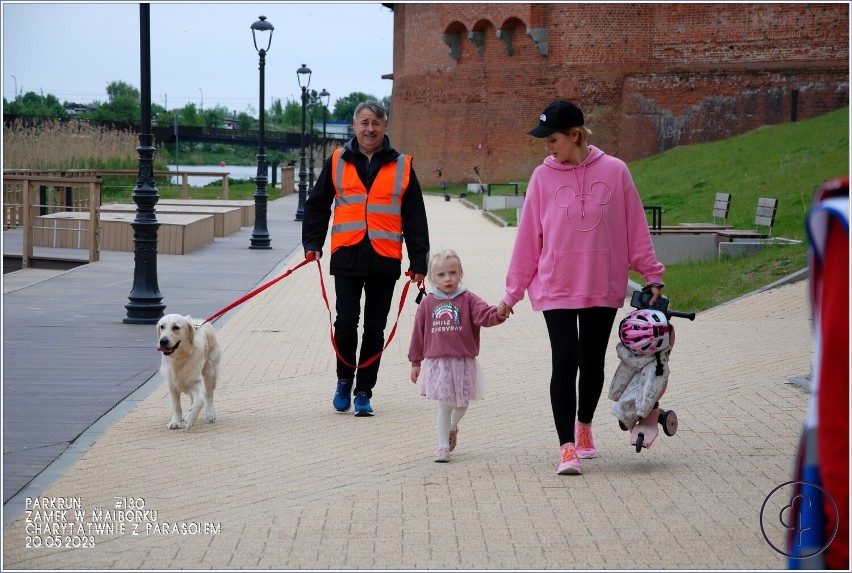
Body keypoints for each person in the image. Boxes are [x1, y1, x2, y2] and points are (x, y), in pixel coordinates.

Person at [498, 99, 665, 475]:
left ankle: (585, 426)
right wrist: (512, 294)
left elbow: (635, 228)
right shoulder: (542, 178)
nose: (547, 146)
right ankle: (566, 447)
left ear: (575, 135)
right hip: (555, 285)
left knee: (592, 362)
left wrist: (651, 273)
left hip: (601, 283)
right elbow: (528, 239)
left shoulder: (616, 171)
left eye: (552, 139)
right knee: (565, 361)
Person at [303, 100, 430, 417]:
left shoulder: (402, 165)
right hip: (346, 254)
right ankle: (344, 380)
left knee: (375, 327)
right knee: (346, 322)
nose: (370, 128)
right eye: (364, 122)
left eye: (376, 122)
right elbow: (318, 204)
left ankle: (364, 392)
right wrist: (313, 242)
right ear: (354, 126)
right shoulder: (337, 160)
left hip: (384, 258)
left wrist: (419, 264)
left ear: (385, 125)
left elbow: (415, 218)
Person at [409, 249, 509, 462]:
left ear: (460, 273)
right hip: (440, 362)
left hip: (463, 361)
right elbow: (418, 332)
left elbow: (485, 314)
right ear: (432, 278)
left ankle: (453, 426)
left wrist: (499, 313)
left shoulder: (468, 298)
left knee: (462, 404)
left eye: (452, 273)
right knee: (445, 404)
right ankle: (442, 446)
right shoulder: (428, 302)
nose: (448, 278)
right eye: (442, 275)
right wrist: (415, 361)